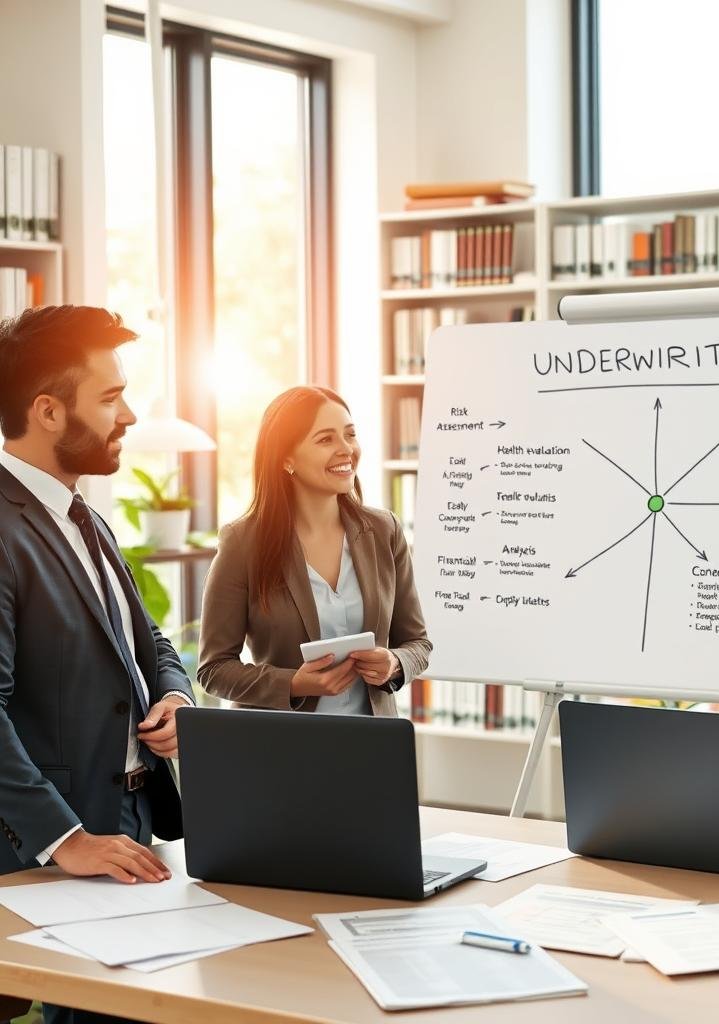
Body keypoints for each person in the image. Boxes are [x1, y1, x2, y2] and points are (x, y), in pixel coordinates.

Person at [0, 305, 195, 1024]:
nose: (130, 415)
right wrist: (66, 839)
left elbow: (148, 639)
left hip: (133, 815)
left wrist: (174, 695)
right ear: (48, 411)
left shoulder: (84, 516)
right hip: (63, 835)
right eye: (110, 397)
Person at [198, 386, 430, 715]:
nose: (346, 449)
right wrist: (293, 684)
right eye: (325, 439)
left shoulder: (385, 531)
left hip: (372, 740)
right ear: (286, 458)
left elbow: (418, 643)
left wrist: (395, 662)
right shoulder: (242, 542)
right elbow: (214, 669)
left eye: (350, 434)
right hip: (283, 740)